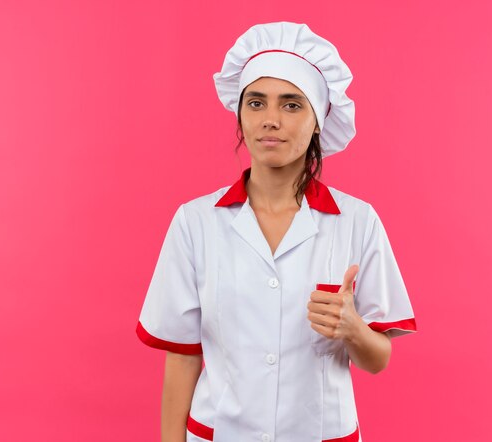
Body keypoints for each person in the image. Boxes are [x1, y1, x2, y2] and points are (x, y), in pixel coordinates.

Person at [136, 22, 417, 442]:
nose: (270, 120)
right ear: (240, 114)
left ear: (319, 120)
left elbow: (378, 359)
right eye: (256, 103)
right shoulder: (195, 222)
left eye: (291, 105)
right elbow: (182, 354)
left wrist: (352, 328)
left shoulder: (358, 221)